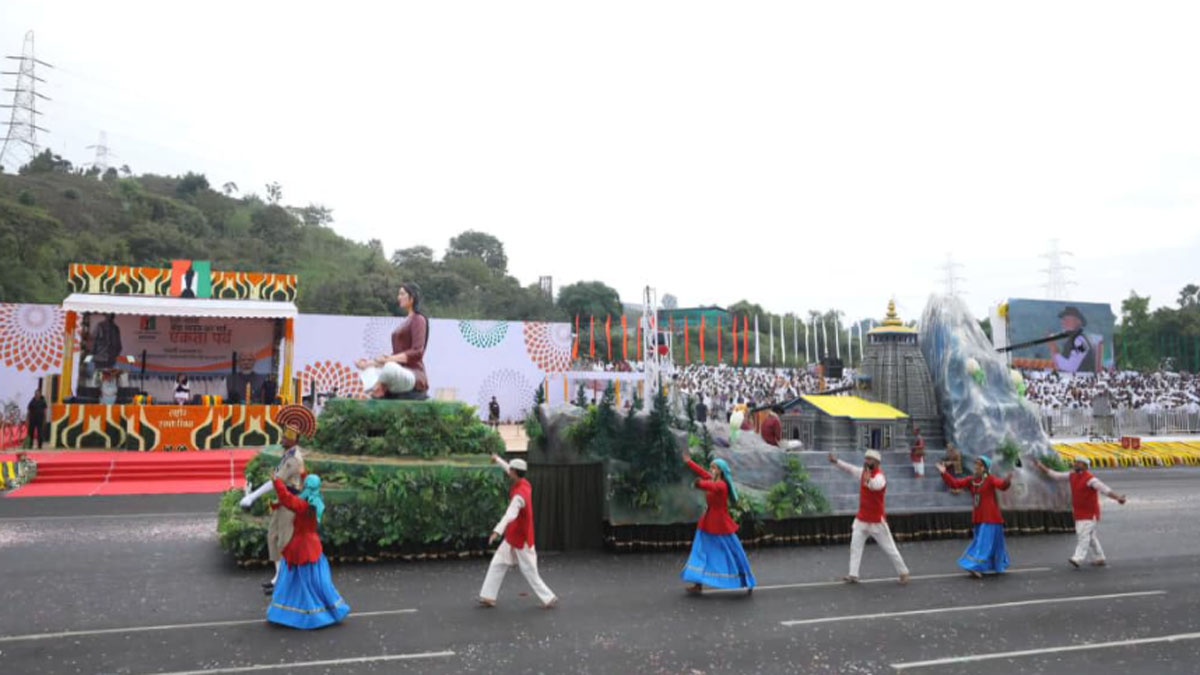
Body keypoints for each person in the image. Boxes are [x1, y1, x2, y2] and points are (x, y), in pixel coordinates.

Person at [266, 473, 350, 629]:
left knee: (297, 582)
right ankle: (328, 609)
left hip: (299, 546)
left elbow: (286, 498)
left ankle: (303, 614)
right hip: (313, 545)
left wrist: (276, 481)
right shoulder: (317, 502)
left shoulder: (302, 505)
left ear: (306, 487)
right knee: (317, 581)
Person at [479, 455, 557, 608]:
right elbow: (508, 468)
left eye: (511, 470)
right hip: (514, 535)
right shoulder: (524, 483)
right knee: (498, 562)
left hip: (522, 538)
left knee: (529, 571)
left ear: (515, 472)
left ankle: (548, 597)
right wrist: (498, 459)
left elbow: (510, 514)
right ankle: (488, 596)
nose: (509, 472)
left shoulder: (519, 496)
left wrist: (496, 531)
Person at [679, 449, 756, 594]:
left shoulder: (722, 485)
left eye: (714, 467)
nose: (711, 469)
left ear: (720, 471)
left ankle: (746, 580)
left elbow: (711, 486)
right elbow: (702, 473)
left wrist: (699, 484)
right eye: (711, 467)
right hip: (707, 522)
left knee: (734, 552)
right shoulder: (713, 479)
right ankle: (698, 584)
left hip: (721, 524)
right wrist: (689, 462)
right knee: (700, 551)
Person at [828, 450, 910, 585]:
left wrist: (867, 479)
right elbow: (849, 468)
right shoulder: (863, 472)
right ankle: (853, 574)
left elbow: (874, 486)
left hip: (876, 521)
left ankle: (903, 572)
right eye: (866, 459)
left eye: (869, 460)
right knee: (855, 546)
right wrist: (836, 462)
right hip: (861, 519)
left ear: (877, 463)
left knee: (890, 549)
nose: (866, 461)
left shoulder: (880, 477)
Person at [1034, 456, 1127, 568]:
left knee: (1083, 535)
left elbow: (1105, 490)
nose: (1075, 464)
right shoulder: (1072, 475)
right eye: (1076, 462)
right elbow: (1055, 475)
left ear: (1085, 466)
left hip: (1089, 514)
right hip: (1079, 512)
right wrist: (1040, 466)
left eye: (1079, 463)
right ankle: (1099, 557)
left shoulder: (1091, 479)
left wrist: (1118, 498)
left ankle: (1078, 558)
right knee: (1091, 537)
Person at [936, 456, 1013, 578]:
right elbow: (955, 484)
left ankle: (977, 566)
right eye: (975, 464)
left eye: (979, 464)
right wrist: (944, 473)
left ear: (984, 468)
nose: (976, 466)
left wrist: (1007, 481)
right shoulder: (971, 480)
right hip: (978, 517)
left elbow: (1001, 485)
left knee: (985, 544)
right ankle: (981, 565)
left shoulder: (990, 479)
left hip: (991, 518)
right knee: (981, 543)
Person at [357, 283, 429, 399]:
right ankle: (378, 387)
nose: (398, 297)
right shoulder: (405, 321)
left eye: (402, 294)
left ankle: (379, 386)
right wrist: (368, 364)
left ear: (412, 297)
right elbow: (394, 356)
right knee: (368, 370)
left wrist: (390, 359)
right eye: (398, 294)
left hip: (412, 375)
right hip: (397, 372)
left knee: (390, 367)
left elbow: (417, 352)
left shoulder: (418, 320)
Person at [1049, 306, 1096, 374]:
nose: (1063, 322)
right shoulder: (1075, 340)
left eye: (1066, 319)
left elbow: (1071, 367)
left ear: (1078, 322)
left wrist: (1054, 350)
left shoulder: (1080, 342)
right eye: (1063, 319)